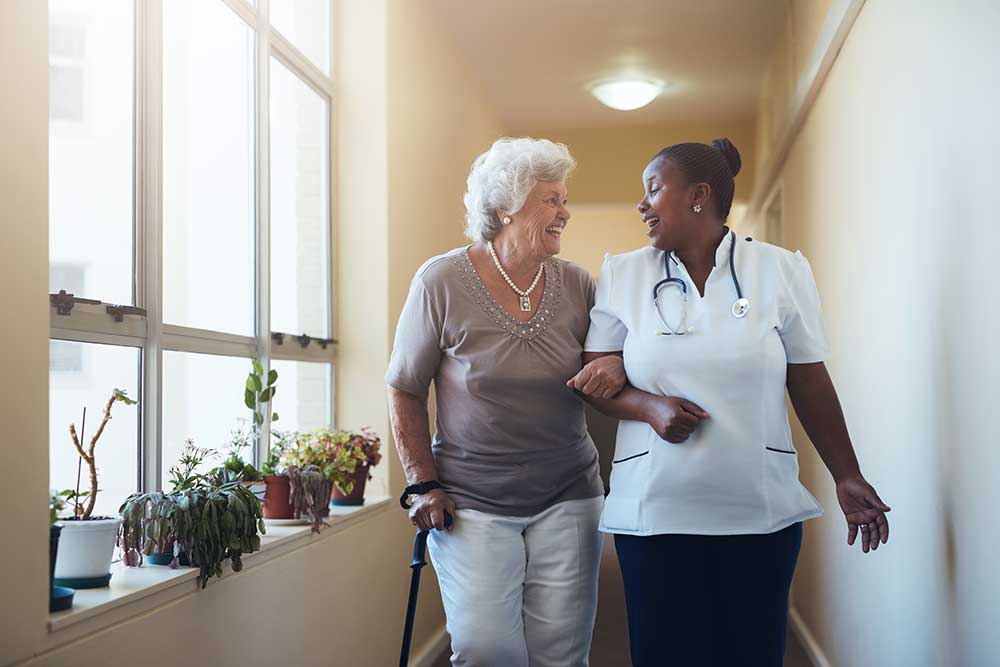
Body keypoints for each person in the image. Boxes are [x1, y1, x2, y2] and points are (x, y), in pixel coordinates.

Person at [570, 138, 891, 666]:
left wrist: (847, 474)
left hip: (758, 513)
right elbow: (597, 382)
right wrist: (650, 407)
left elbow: (809, 380)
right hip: (656, 514)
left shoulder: (781, 270)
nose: (641, 205)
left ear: (699, 195)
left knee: (751, 655)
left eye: (653, 190)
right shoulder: (623, 274)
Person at [386, 137, 624, 667]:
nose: (565, 212)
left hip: (569, 493)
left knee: (562, 653)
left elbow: (617, 360)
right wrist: (422, 483)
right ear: (504, 208)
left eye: (565, 198)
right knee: (486, 649)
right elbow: (404, 386)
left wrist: (617, 364)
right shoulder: (441, 281)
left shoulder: (581, 285)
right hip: (472, 499)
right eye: (551, 199)